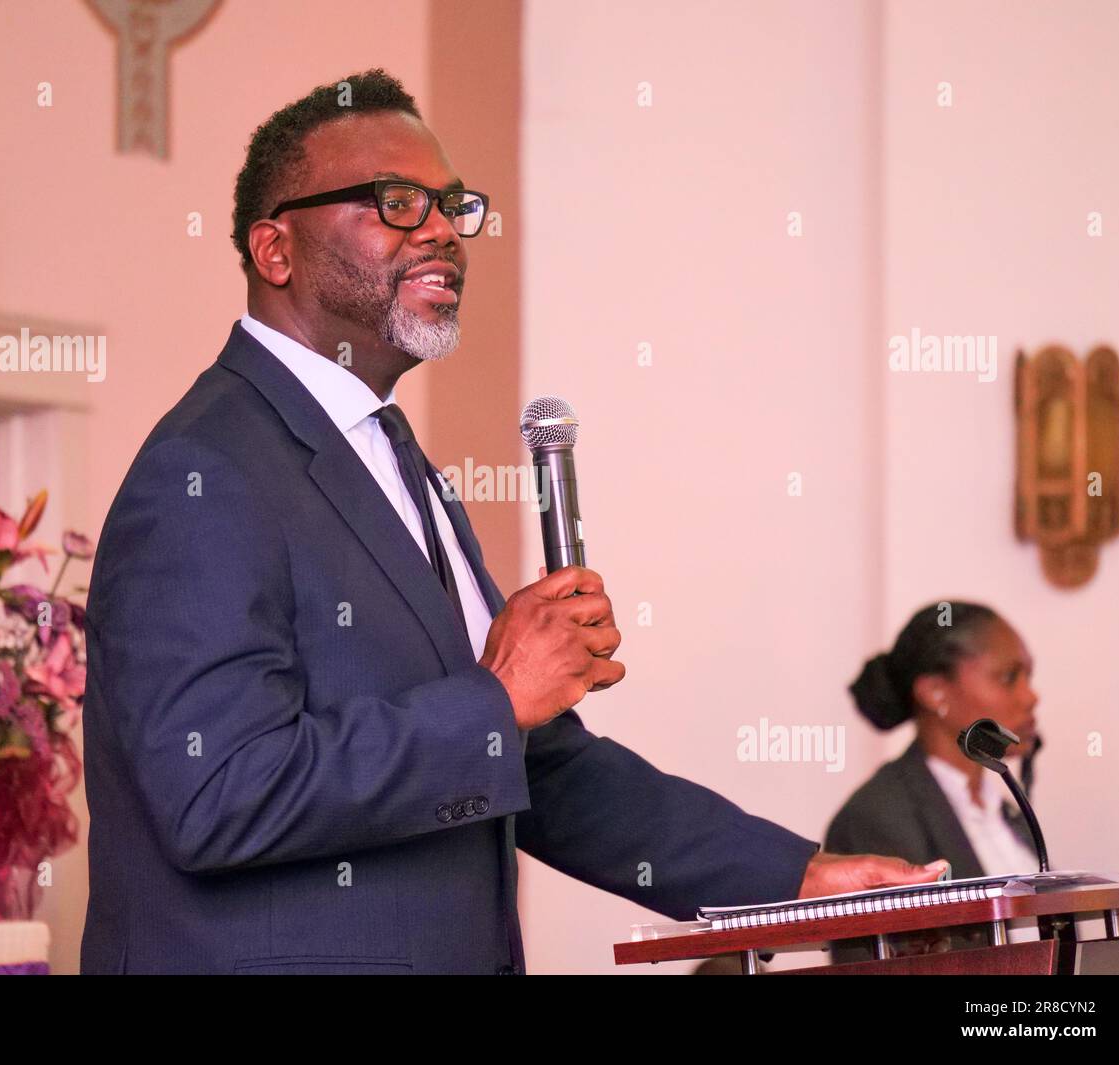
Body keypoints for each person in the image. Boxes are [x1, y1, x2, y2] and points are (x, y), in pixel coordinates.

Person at [79, 68, 944, 975]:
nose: (444, 230)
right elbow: (219, 790)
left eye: (453, 205)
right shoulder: (206, 470)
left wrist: (797, 880)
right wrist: (494, 697)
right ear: (276, 249)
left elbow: (542, 769)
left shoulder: (391, 457)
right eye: (398, 202)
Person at [825, 601, 1042, 960]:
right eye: (1009, 677)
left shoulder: (1004, 810)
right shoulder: (875, 819)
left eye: (1028, 677)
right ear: (935, 692)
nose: (1031, 696)